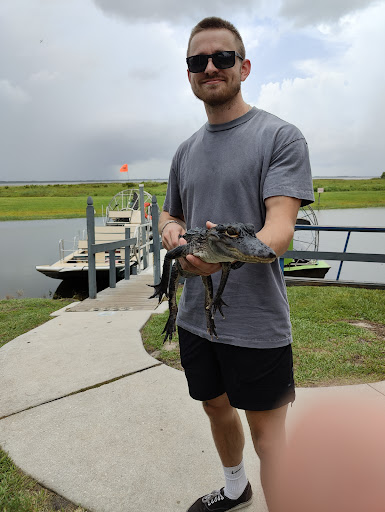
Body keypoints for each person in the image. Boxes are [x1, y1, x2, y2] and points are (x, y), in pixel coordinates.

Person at [159, 16, 314, 512]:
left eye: (222, 58)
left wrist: (219, 257)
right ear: (188, 75)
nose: (210, 67)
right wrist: (174, 239)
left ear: (243, 67)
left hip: (258, 323)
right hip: (194, 321)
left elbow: (279, 230)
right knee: (214, 406)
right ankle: (234, 488)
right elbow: (171, 214)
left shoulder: (281, 137)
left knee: (269, 438)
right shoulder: (185, 151)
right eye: (197, 61)